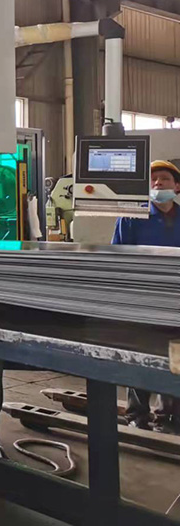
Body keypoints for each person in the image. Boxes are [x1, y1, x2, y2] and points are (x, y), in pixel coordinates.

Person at [113, 159, 180, 430]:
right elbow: (118, 260)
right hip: (142, 301)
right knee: (139, 357)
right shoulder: (131, 218)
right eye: (153, 179)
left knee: (174, 359)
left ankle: (168, 417)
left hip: (176, 302)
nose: (158, 183)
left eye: (164, 178)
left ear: (177, 186)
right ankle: (137, 416)